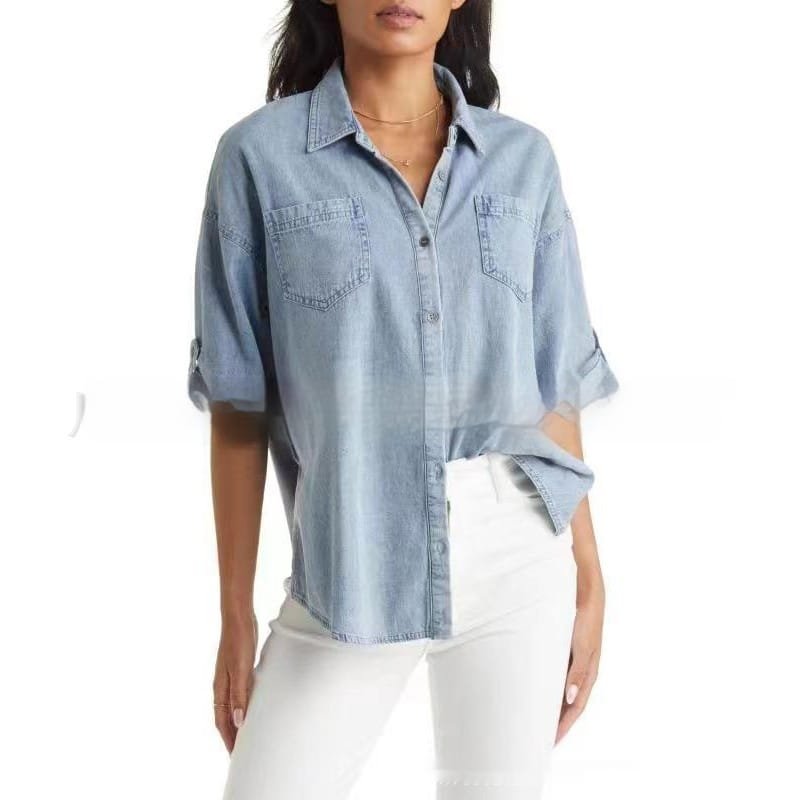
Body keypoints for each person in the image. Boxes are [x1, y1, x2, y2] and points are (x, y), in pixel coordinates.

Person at [187, 1, 620, 797]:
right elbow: (238, 406)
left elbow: (554, 384)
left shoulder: (522, 161)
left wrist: (588, 573)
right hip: (351, 552)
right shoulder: (259, 158)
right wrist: (234, 611)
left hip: (520, 546)